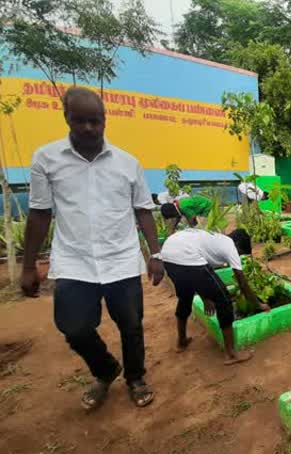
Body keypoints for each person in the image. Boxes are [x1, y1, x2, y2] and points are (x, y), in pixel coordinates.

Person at [21, 87, 163, 410]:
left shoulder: (128, 163)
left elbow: (143, 209)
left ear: (105, 121)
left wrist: (154, 254)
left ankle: (135, 377)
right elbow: (40, 213)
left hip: (121, 259)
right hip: (74, 260)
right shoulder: (46, 159)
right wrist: (29, 266)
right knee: (72, 326)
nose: (88, 128)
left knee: (131, 324)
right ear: (66, 118)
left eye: (94, 121)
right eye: (79, 120)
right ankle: (105, 368)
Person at [161, 228, 269, 364]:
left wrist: (206, 297)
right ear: (238, 244)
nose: (238, 256)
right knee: (224, 300)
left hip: (168, 254)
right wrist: (259, 304)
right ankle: (231, 354)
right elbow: (242, 283)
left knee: (185, 296)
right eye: (240, 253)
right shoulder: (230, 246)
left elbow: (197, 278)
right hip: (186, 255)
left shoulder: (217, 240)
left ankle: (181, 341)